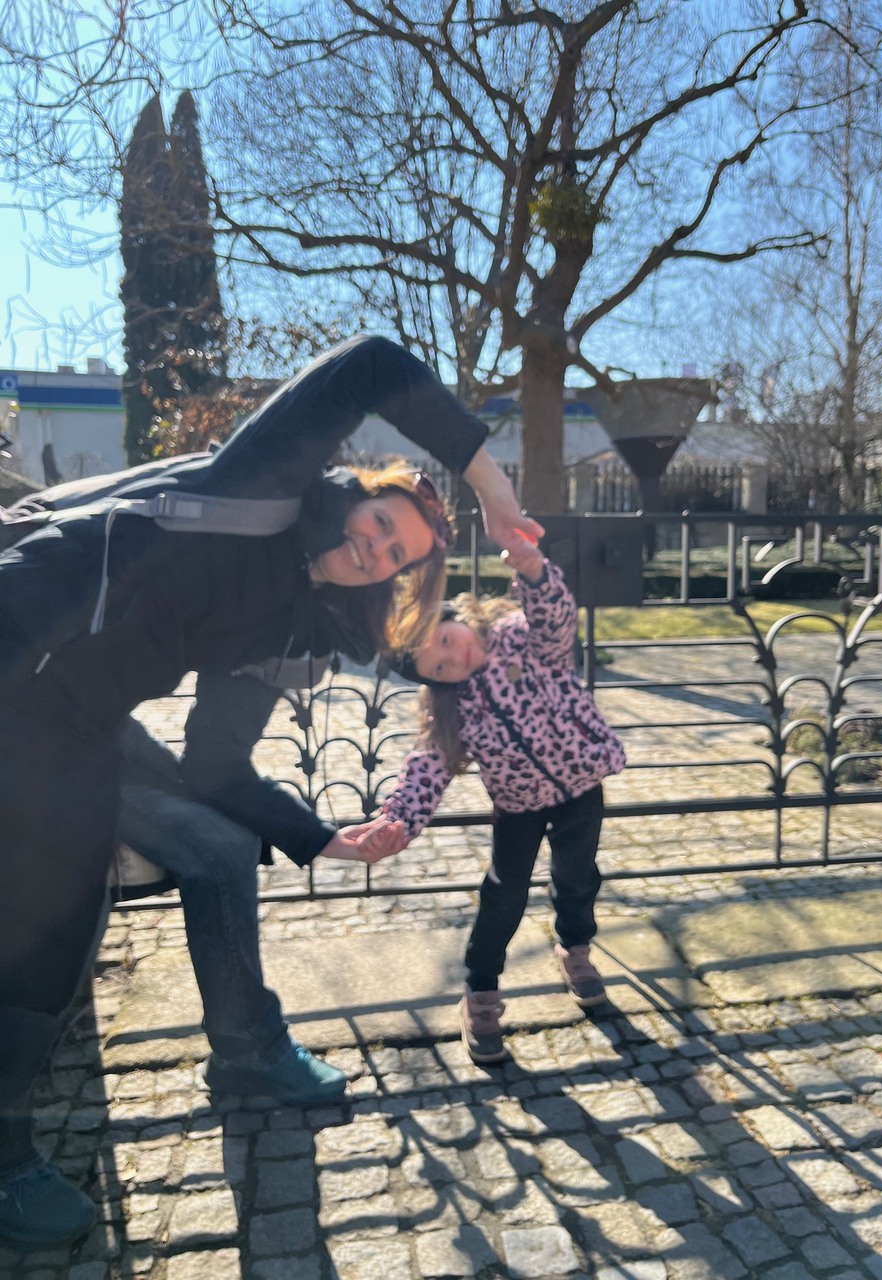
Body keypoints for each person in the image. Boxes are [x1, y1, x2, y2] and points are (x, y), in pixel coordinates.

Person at [0, 333, 542, 1250]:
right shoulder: (261, 487)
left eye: (397, 554)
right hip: (16, 648)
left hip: (81, 721)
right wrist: (491, 485)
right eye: (380, 521)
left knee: (113, 898)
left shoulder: (297, 627)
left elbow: (215, 764)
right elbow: (371, 363)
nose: (376, 548)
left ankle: (227, 1061)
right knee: (45, 902)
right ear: (357, 493)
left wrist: (321, 838)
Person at [353, 538, 626, 1065]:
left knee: (577, 876)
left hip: (581, 788)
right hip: (518, 806)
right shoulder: (453, 707)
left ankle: (575, 950)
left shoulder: (523, 638)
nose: (454, 658)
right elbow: (429, 763)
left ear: (456, 619)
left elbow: (556, 620)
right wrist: (399, 818)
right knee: (504, 896)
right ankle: (480, 991)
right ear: (435, 683)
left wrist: (536, 573)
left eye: (446, 640)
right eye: (440, 667)